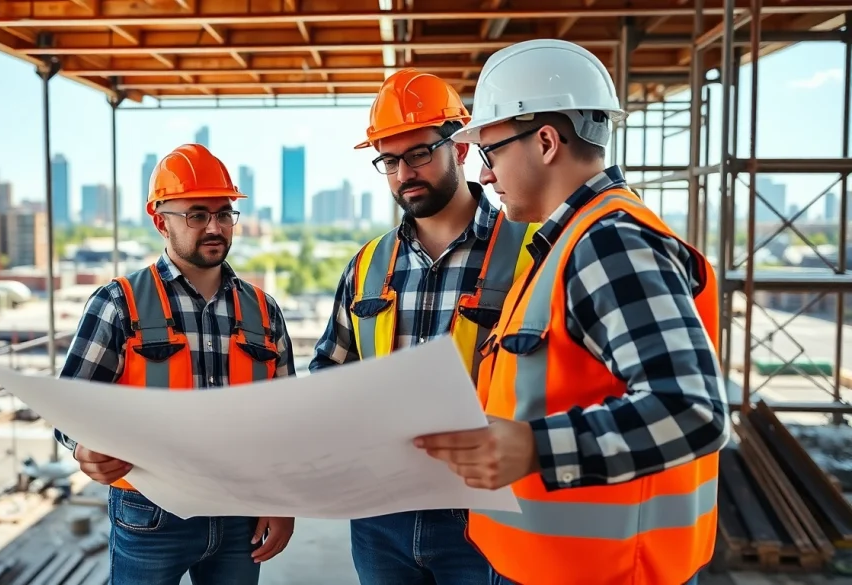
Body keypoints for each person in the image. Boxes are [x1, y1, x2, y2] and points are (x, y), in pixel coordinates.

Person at [413, 40, 729, 585]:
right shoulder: (565, 245)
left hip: (604, 573)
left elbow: (692, 409)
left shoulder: (610, 243)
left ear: (545, 141)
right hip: (554, 565)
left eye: (490, 153)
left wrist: (533, 446)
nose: (485, 176)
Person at [309, 68, 539, 585]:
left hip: (486, 513)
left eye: (418, 154)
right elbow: (329, 372)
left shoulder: (531, 253)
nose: (403, 173)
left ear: (459, 148)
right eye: (389, 160)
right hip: (380, 516)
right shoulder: (367, 266)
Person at [54, 144, 297, 585]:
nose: (215, 227)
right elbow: (69, 408)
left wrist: (281, 501)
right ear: (160, 221)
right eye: (197, 214)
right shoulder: (119, 304)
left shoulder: (264, 310)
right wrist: (83, 448)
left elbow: (283, 418)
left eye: (224, 214)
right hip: (151, 514)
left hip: (240, 510)